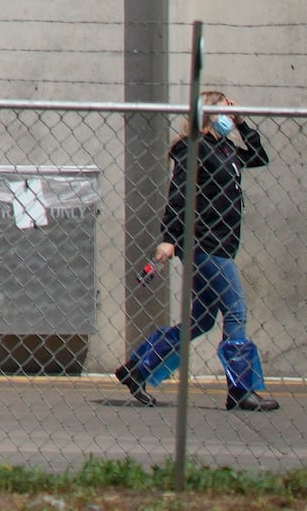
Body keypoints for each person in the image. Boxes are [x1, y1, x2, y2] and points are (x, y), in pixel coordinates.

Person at [118, 93, 278, 411]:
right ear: (207, 114)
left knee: (202, 321)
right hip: (205, 244)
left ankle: (138, 368)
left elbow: (259, 156)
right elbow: (180, 192)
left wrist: (243, 124)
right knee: (235, 310)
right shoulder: (194, 148)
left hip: (223, 243)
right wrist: (169, 237)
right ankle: (240, 389)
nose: (230, 116)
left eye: (233, 112)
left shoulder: (227, 149)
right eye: (225, 111)